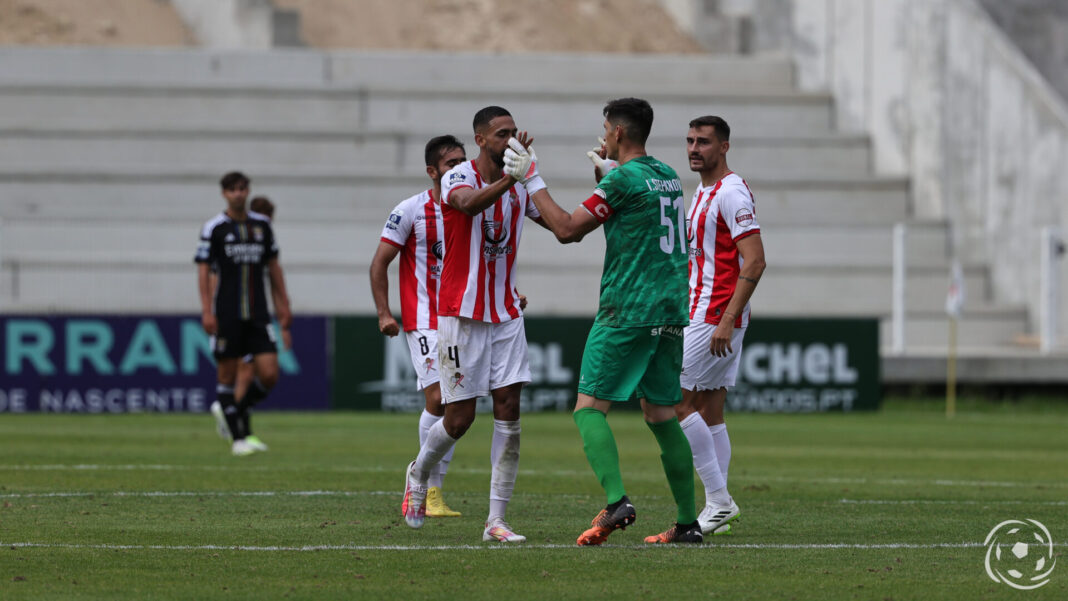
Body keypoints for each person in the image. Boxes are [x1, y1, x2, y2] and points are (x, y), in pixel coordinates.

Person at [502, 97, 702, 545]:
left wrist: (531, 178)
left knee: (589, 409)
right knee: (661, 412)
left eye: (606, 129)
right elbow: (639, 208)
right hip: (670, 308)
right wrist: (610, 176)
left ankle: (616, 502)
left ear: (619, 134)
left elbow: (568, 230)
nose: (604, 136)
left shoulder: (624, 181)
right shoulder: (666, 175)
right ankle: (688, 524)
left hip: (628, 308)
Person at [401, 106, 546, 543]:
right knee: (460, 418)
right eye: (501, 134)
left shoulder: (519, 183)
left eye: (512, 132)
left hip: (506, 314)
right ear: (481, 140)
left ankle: (495, 522)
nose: (509, 140)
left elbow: (562, 226)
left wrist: (607, 186)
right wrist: (511, 179)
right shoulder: (458, 176)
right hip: (460, 316)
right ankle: (418, 472)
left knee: (509, 411)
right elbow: (466, 205)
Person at [370, 135, 468, 519]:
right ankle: (427, 488)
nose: (458, 169)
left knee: (459, 405)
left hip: (464, 317)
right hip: (425, 318)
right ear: (432, 171)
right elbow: (380, 263)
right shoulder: (410, 210)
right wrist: (384, 312)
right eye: (450, 164)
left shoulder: (470, 208)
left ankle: (429, 487)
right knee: (440, 400)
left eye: (462, 161)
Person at [678, 116, 765, 535]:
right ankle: (719, 508)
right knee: (710, 409)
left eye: (705, 142)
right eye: (691, 141)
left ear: (724, 147)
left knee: (674, 401)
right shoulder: (701, 191)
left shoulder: (730, 192)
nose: (695, 148)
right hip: (702, 309)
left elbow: (756, 259)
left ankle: (718, 500)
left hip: (715, 313)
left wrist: (728, 319)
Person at [196, 172, 292, 456]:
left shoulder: (262, 226)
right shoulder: (214, 228)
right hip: (227, 315)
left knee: (269, 373)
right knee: (228, 375)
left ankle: (231, 412)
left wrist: (283, 306)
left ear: (247, 191)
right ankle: (239, 438)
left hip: (259, 315)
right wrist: (206, 310)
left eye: (242, 188)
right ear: (224, 193)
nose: (239, 193)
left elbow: (274, 268)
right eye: (233, 189)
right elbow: (204, 271)